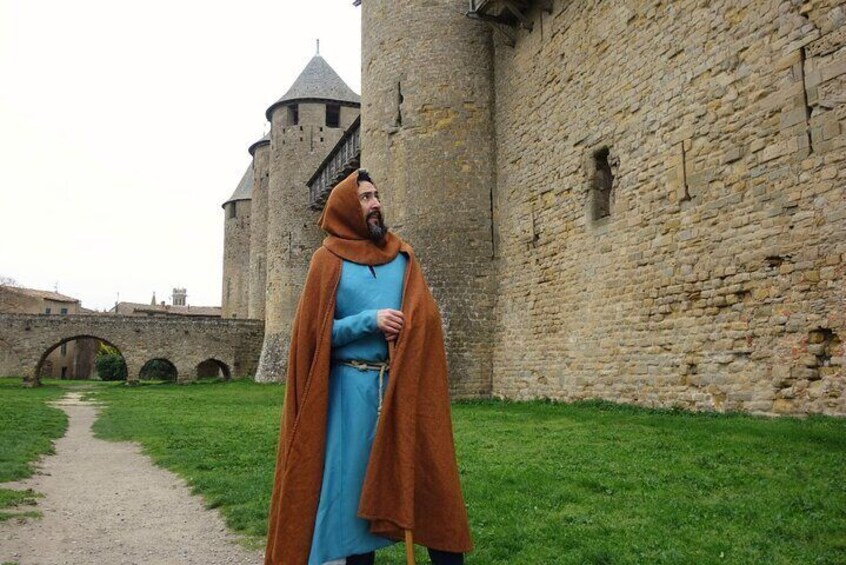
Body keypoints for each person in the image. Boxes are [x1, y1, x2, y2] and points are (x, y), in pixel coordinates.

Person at [264, 169, 472, 565]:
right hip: (351, 393)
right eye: (365, 198)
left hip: (404, 388)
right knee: (355, 505)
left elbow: (426, 318)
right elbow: (311, 336)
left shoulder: (403, 256)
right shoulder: (326, 262)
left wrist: (414, 326)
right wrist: (368, 321)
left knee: (432, 486)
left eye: (376, 195)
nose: (375, 203)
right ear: (346, 206)